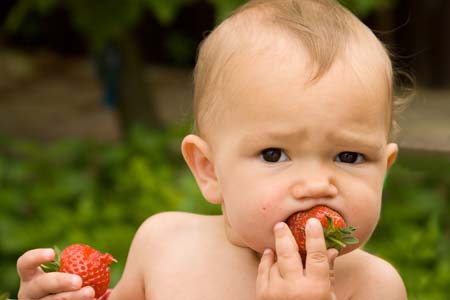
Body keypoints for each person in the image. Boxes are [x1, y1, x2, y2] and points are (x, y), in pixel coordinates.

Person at [16, 0, 408, 299]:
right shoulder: (164, 244)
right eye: (274, 154)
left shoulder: (373, 286)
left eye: (350, 157)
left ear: (384, 170)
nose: (317, 185)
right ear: (209, 170)